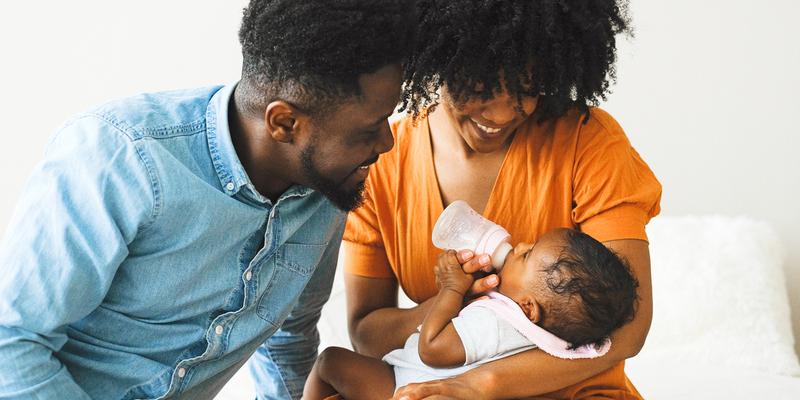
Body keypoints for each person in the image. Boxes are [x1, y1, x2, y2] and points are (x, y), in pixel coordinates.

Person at [0, 1, 414, 399]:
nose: (387, 142)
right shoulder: (120, 157)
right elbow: (11, 344)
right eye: (369, 129)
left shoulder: (326, 187)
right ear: (285, 122)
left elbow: (288, 337)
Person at [342, 0, 662, 398]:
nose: (502, 113)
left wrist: (478, 386)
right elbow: (366, 336)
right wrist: (451, 302)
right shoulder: (384, 162)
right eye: (480, 87)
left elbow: (629, 330)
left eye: (526, 89)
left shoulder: (589, 141)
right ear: (439, 56)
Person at [303, 228, 639, 400]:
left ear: (528, 308)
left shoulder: (494, 322)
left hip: (406, 386)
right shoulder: (558, 340)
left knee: (329, 362)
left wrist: (451, 290)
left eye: (527, 255)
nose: (518, 247)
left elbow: (432, 349)